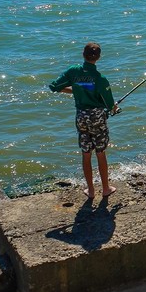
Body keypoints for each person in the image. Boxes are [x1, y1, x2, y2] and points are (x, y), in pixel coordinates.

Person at [49, 42, 118, 199]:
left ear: (83, 54)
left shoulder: (73, 71)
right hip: (97, 117)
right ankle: (105, 188)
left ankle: (91, 191)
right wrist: (114, 108)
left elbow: (55, 86)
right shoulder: (101, 79)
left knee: (86, 153)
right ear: (99, 57)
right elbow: (110, 106)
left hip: (81, 116)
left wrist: (77, 91)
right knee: (100, 152)